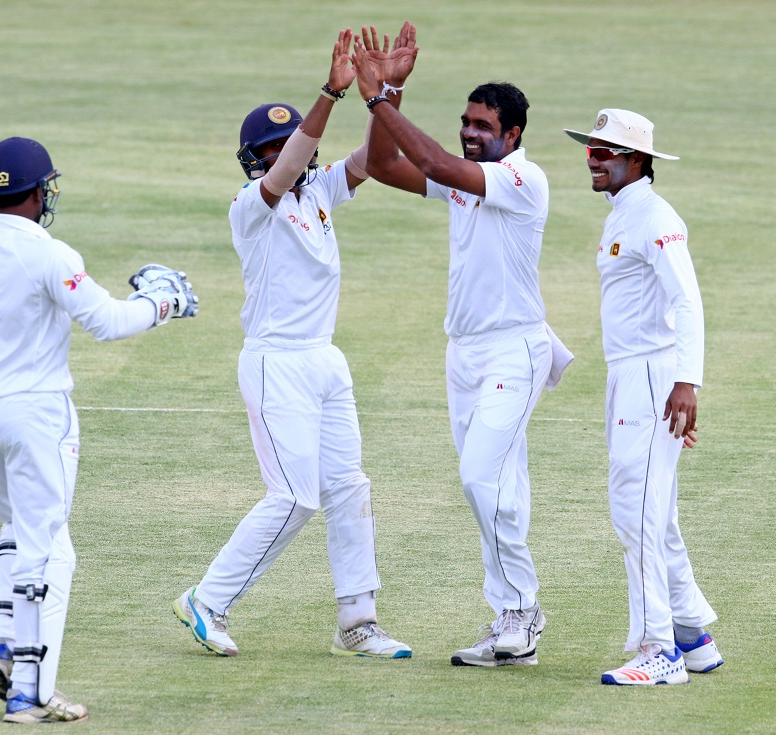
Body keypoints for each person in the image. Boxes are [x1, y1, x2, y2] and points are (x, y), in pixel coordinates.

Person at [0, 137, 197, 722]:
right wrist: (161, 303)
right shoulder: (49, 254)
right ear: (38, 193)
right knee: (51, 548)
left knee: (18, 525)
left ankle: (2, 638)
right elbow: (110, 322)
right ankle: (29, 691)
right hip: (36, 412)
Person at [172, 28, 411, 660]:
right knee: (295, 496)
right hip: (275, 362)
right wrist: (328, 95)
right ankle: (207, 599)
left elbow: (374, 159)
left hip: (325, 361)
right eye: (275, 148)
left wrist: (386, 94)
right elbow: (285, 168)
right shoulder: (252, 205)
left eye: (292, 144)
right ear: (256, 160)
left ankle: (357, 624)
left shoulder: (321, 190)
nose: (290, 155)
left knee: (348, 489)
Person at [350, 24, 573, 668]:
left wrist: (378, 101)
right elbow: (387, 165)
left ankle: (523, 612)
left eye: (483, 126)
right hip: (464, 353)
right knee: (497, 486)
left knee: (481, 477)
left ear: (513, 136)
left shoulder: (521, 179)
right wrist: (388, 89)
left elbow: (430, 162)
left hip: (514, 351)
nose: (471, 133)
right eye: (466, 122)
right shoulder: (467, 177)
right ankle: (510, 624)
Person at [563, 109, 723, 685]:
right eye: (591, 150)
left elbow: (688, 301)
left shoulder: (655, 216)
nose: (594, 160)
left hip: (653, 378)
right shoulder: (624, 213)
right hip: (630, 376)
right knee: (658, 515)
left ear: (637, 160)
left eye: (606, 152)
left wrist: (687, 382)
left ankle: (660, 651)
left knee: (638, 513)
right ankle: (692, 636)